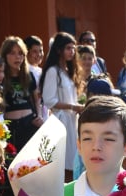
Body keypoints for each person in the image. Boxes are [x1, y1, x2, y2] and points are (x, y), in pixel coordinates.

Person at [0, 36, 44, 196]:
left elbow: (36, 99)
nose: (17, 57)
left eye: (20, 54)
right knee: (11, 171)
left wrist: (38, 116)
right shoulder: (1, 76)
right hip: (10, 129)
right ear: (5, 55)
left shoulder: (28, 75)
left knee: (30, 171)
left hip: (29, 125)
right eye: (12, 53)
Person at [41, 32, 83, 181]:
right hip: (61, 121)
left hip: (72, 120)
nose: (71, 51)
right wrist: (72, 107)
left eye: (73, 48)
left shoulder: (68, 71)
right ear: (59, 50)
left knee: (74, 161)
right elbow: (49, 100)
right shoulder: (53, 71)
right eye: (68, 48)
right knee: (65, 162)